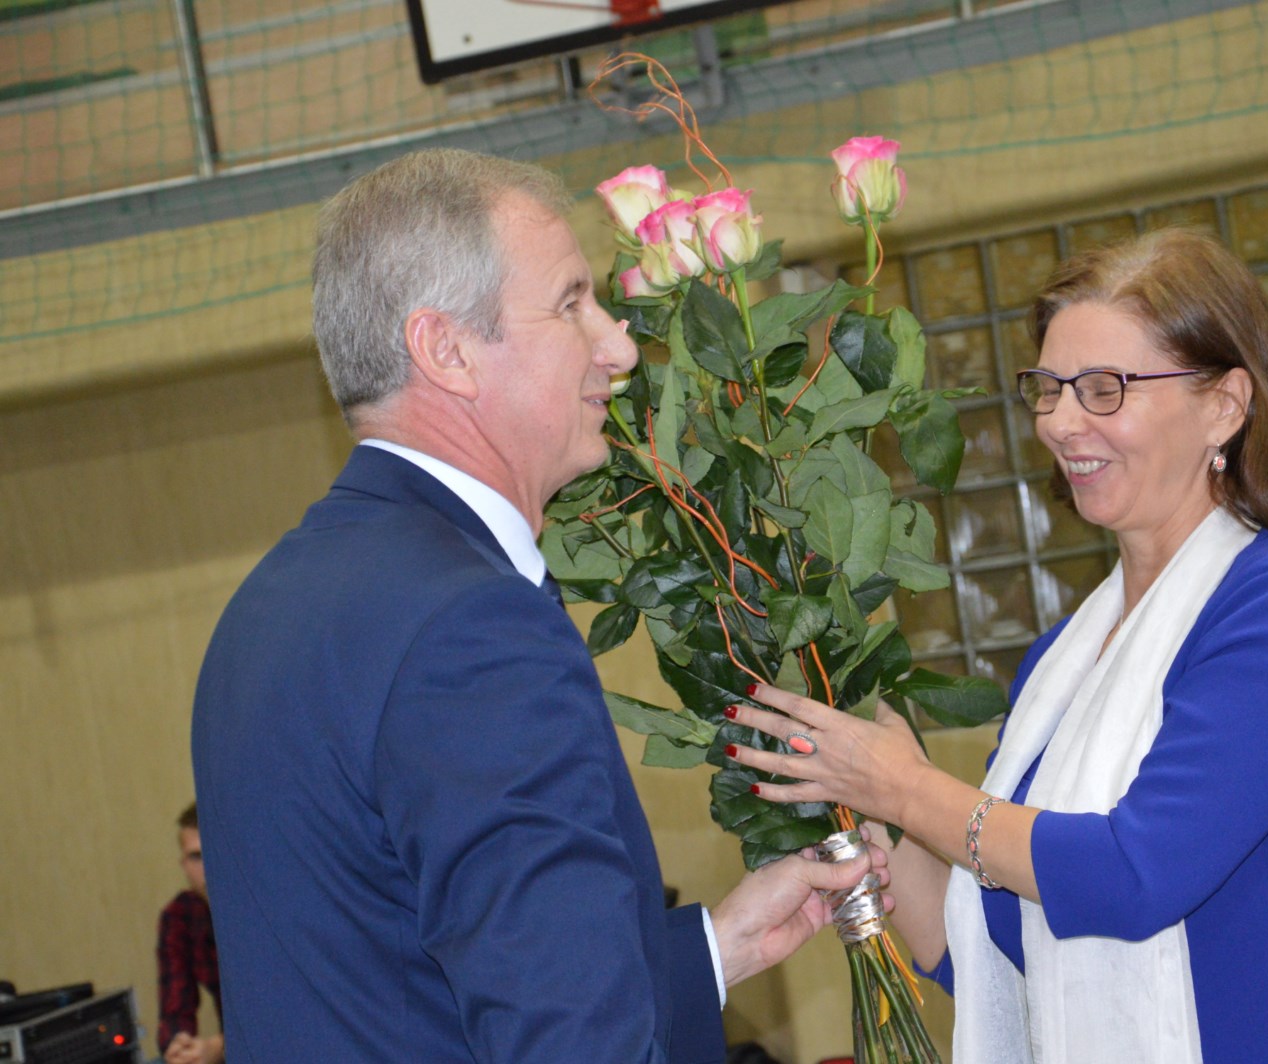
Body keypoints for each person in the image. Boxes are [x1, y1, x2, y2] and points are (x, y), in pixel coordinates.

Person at [190, 148, 884, 1063]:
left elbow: (387, 979)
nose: (619, 347)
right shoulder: (468, 628)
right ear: (446, 350)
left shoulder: (274, 605)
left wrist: (717, 952)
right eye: (570, 304)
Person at [726, 228, 1268, 1062]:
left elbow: (1133, 876)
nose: (1060, 422)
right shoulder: (1064, 659)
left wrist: (907, 789)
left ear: (1225, 405)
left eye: (1103, 389)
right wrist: (865, 808)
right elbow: (996, 951)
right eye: (1049, 389)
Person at [156, 803, 223, 1064]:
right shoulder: (181, 916)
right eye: (196, 857)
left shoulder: (260, 907)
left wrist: (220, 1047)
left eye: (214, 852)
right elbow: (174, 1009)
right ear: (183, 864)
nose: (207, 867)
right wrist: (180, 1046)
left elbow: (286, 1012)